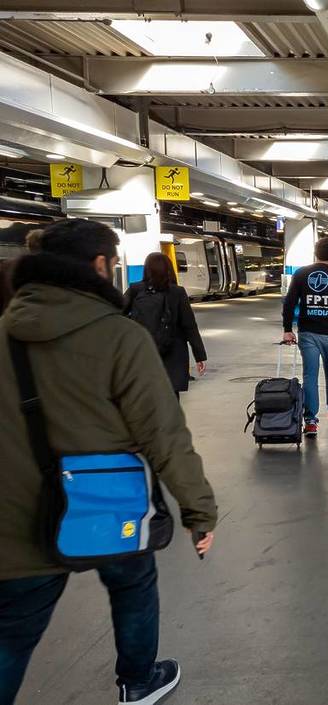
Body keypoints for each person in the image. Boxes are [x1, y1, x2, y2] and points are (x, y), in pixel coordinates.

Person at [0, 219, 217, 705]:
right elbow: (164, 434)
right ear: (99, 265)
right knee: (133, 579)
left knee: (11, 633)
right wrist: (199, 510)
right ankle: (138, 680)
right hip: (105, 505)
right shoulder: (120, 337)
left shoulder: (5, 333)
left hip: (14, 517)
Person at [281, 237, 328, 437]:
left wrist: (287, 328)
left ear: (315, 253)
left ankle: (311, 421)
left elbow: (289, 303)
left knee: (310, 375)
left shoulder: (301, 274)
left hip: (308, 333)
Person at [124, 253, 207, 399]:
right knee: (171, 400)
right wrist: (199, 355)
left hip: (143, 352)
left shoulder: (136, 289)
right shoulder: (177, 292)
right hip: (172, 354)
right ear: (169, 269)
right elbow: (189, 326)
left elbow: (117, 314)